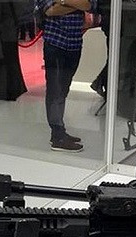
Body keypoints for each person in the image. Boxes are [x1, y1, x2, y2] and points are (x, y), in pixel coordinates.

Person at [37, 0, 96, 152]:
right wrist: (77, 4)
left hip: (75, 44)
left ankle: (60, 130)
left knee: (63, 90)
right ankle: (57, 135)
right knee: (55, 91)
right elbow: (49, 11)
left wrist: (62, 1)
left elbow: (89, 5)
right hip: (55, 43)